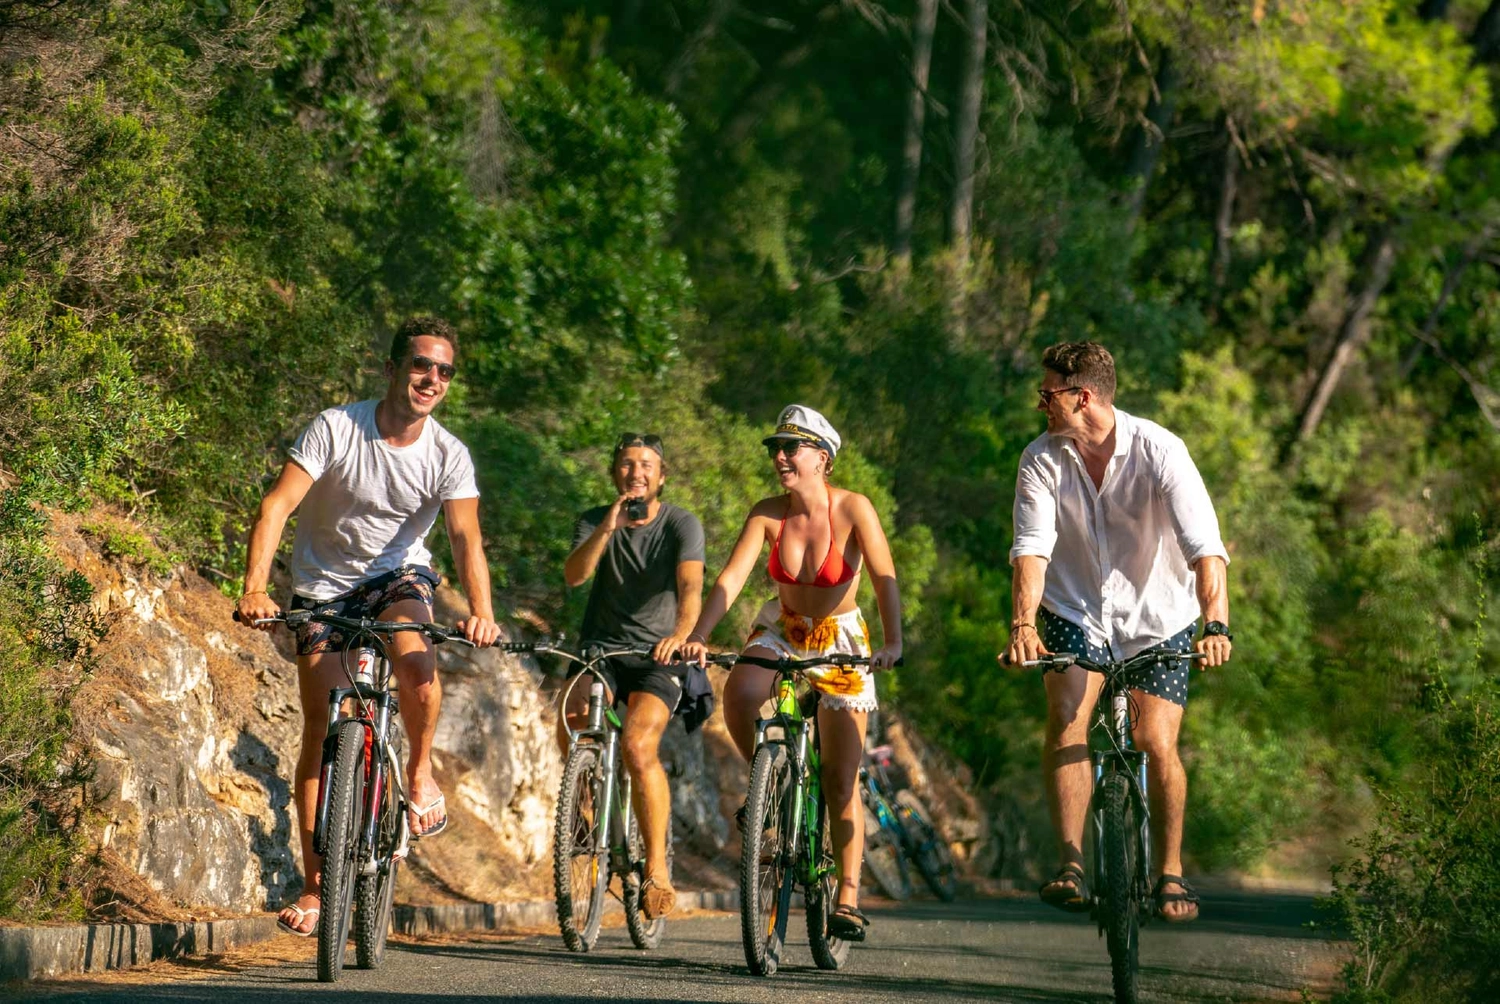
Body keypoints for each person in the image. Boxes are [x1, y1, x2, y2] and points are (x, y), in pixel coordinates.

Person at [236, 316, 501, 937]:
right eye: (419, 365)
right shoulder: (337, 428)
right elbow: (278, 505)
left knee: (416, 661)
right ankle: (315, 886)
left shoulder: (449, 454)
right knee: (326, 725)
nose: (430, 378)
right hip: (322, 586)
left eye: (443, 371)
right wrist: (253, 587)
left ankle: (418, 772)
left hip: (396, 578)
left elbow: (466, 539)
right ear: (390, 369)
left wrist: (482, 613)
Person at [1000, 341, 1232, 924]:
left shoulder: (1161, 450)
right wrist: (1024, 624)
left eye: (1047, 393)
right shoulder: (1040, 458)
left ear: (1083, 397)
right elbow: (1031, 549)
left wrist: (1216, 625)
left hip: (1158, 620)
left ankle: (1170, 872)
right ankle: (1072, 863)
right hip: (1074, 610)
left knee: (1156, 741)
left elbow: (1205, 549)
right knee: (1068, 719)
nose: (1040, 404)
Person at [681, 405, 902, 943]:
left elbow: (883, 576)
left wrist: (893, 641)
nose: (779, 457)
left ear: (822, 458)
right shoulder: (767, 513)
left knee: (840, 776)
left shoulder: (853, 508)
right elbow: (731, 579)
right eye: (775, 448)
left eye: (791, 448)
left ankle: (847, 892)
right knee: (742, 688)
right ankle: (771, 782)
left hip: (840, 638)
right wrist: (700, 633)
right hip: (783, 626)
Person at [561, 433, 706, 920]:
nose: (635, 472)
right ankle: (583, 816)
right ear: (613, 472)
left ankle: (658, 870)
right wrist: (608, 526)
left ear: (661, 475)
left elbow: (690, 587)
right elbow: (575, 575)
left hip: (658, 653)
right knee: (572, 716)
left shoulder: (681, 524)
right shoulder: (593, 519)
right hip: (602, 647)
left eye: (646, 464)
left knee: (639, 747)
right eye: (626, 464)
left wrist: (682, 633)